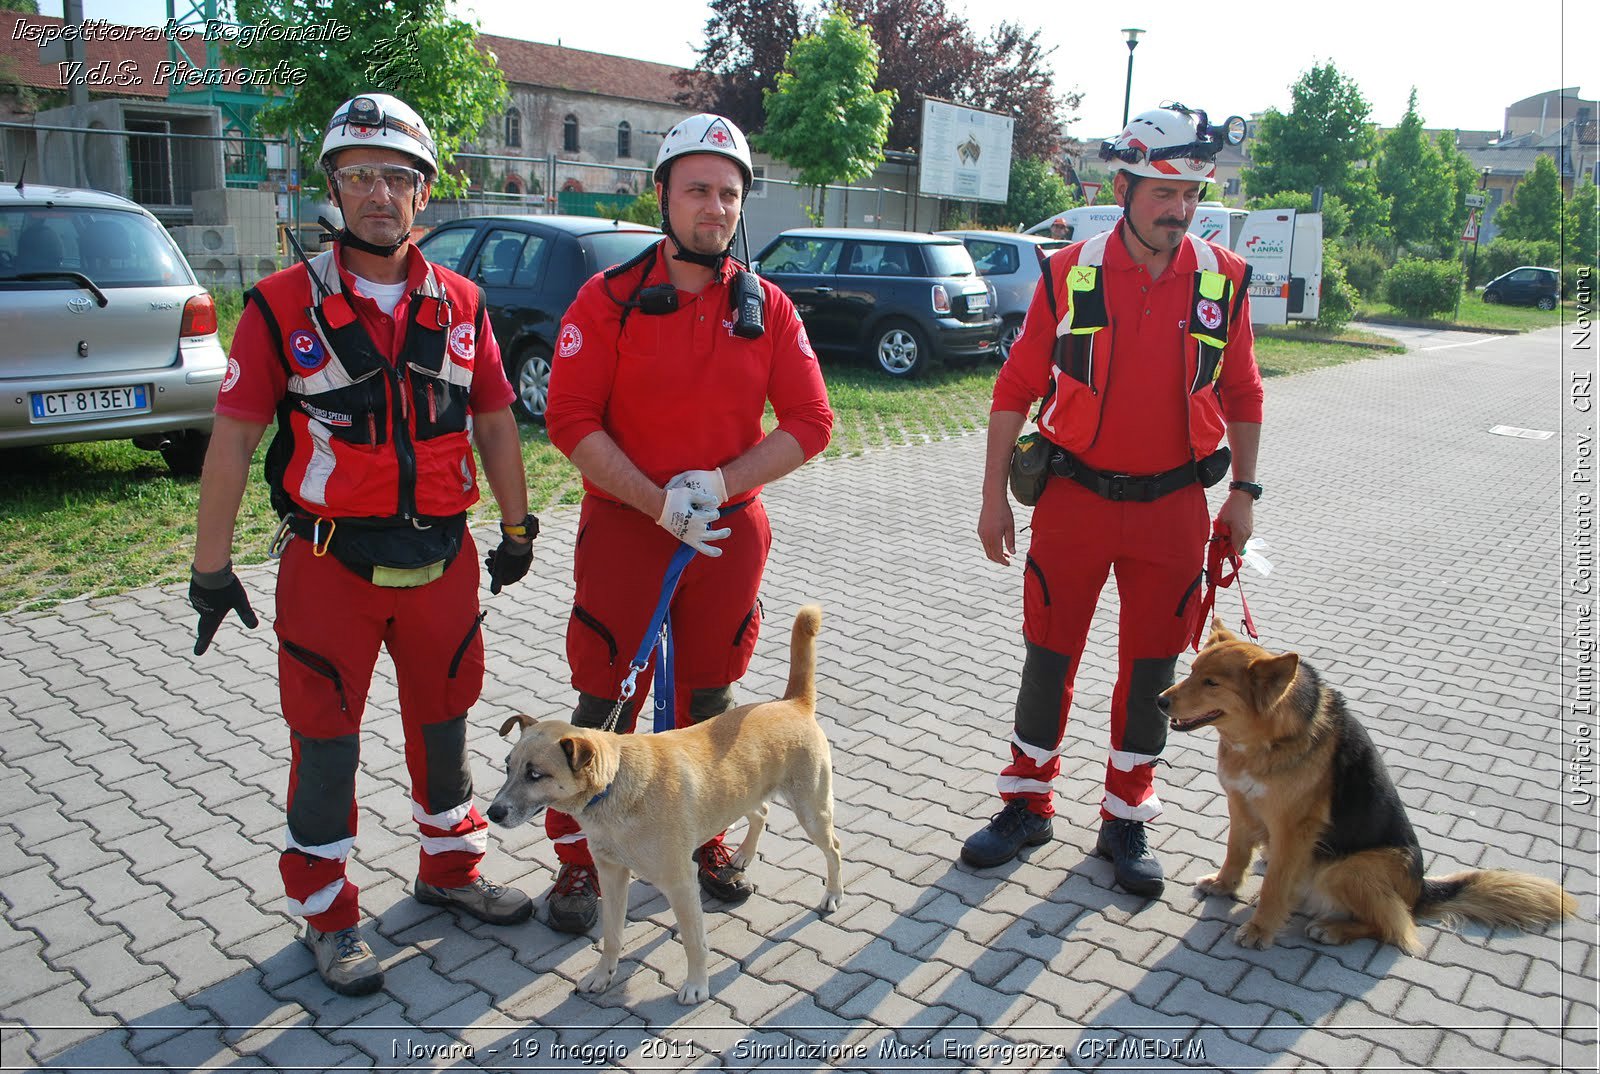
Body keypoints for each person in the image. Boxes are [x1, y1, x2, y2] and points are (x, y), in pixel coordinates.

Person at [188, 93, 538, 996]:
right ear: (334, 190)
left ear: (424, 193)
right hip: (328, 565)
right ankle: (328, 915)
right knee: (326, 740)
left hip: (442, 563)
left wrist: (516, 524)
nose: (380, 193)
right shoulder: (275, 307)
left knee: (445, 722)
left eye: (398, 177)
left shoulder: (462, 302)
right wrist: (210, 567)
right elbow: (230, 440)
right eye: (360, 176)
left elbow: (497, 420)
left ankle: (451, 871)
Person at [541, 113, 834, 933]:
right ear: (663, 195)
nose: (715, 207)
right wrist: (655, 500)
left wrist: (723, 482)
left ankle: (697, 837)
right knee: (606, 700)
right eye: (698, 189)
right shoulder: (608, 301)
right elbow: (568, 418)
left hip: (725, 536)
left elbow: (812, 421)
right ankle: (579, 862)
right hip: (629, 530)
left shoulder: (769, 308)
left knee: (712, 703)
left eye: (729, 194)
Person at [962, 104, 1264, 897]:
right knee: (1048, 655)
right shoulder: (1070, 271)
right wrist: (994, 498)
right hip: (1073, 501)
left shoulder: (1221, 280)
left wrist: (1246, 493)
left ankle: (1126, 817)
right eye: (1164, 191)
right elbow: (1016, 385)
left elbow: (1244, 388)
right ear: (1124, 186)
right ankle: (1026, 804)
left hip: (1174, 510)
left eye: (1193, 194)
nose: (1180, 209)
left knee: (1152, 669)